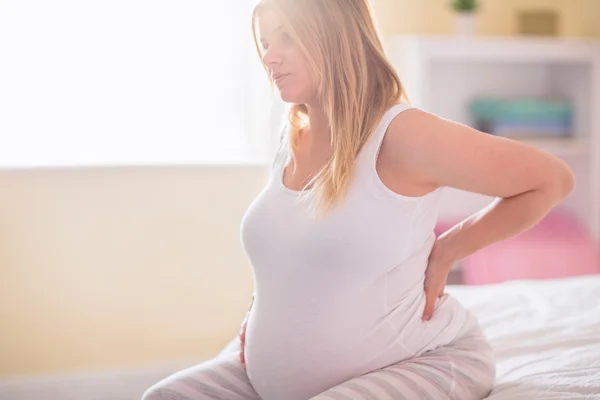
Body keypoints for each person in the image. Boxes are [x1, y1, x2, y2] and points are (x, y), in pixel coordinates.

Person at [142, 0, 576, 399]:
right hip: (266, 375)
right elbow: (293, 248)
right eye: (266, 41)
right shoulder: (292, 133)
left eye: (287, 36)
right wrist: (260, 315)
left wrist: (448, 250)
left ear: (336, 34)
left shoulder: (402, 134)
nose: (270, 56)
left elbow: (550, 180)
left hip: (427, 361)